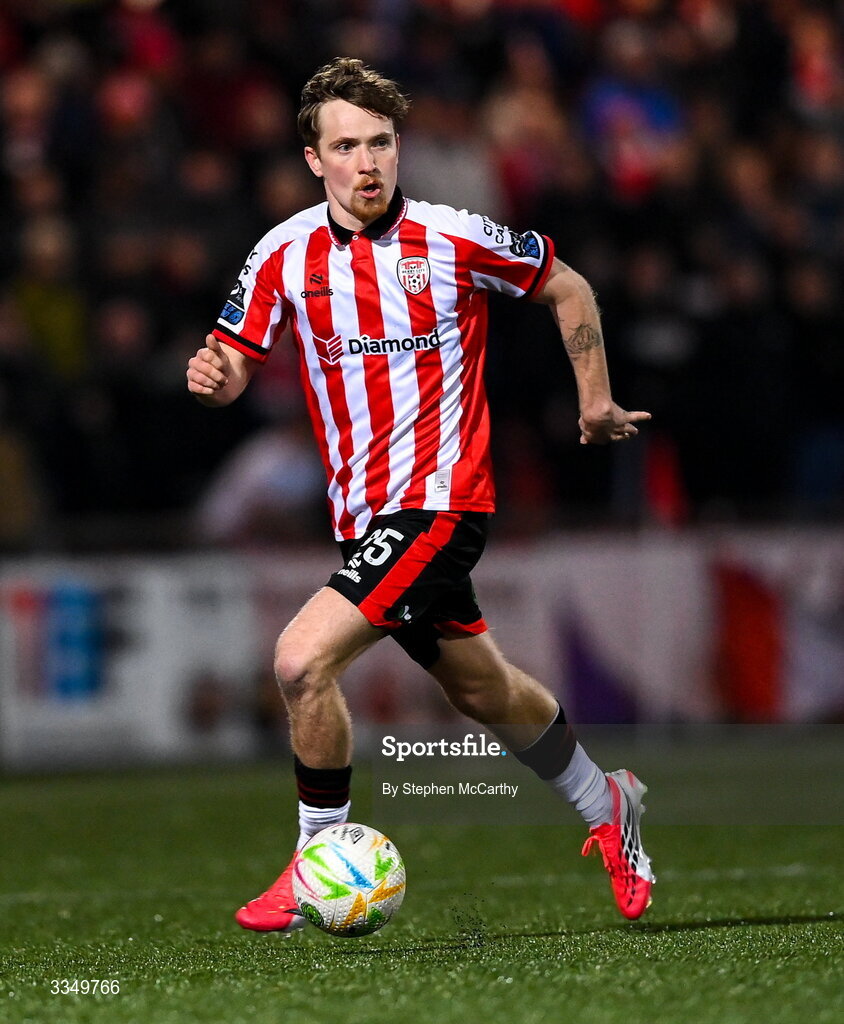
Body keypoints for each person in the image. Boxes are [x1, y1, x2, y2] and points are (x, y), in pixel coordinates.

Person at [186, 57, 654, 931]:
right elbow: (235, 365)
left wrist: (593, 397)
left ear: (399, 149)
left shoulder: (451, 235)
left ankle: (312, 857)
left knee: (299, 660)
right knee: (483, 691)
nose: (367, 162)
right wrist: (215, 378)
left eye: (381, 143)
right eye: (347, 146)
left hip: (444, 503)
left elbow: (567, 283)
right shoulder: (284, 253)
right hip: (365, 520)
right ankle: (608, 804)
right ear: (312, 159)